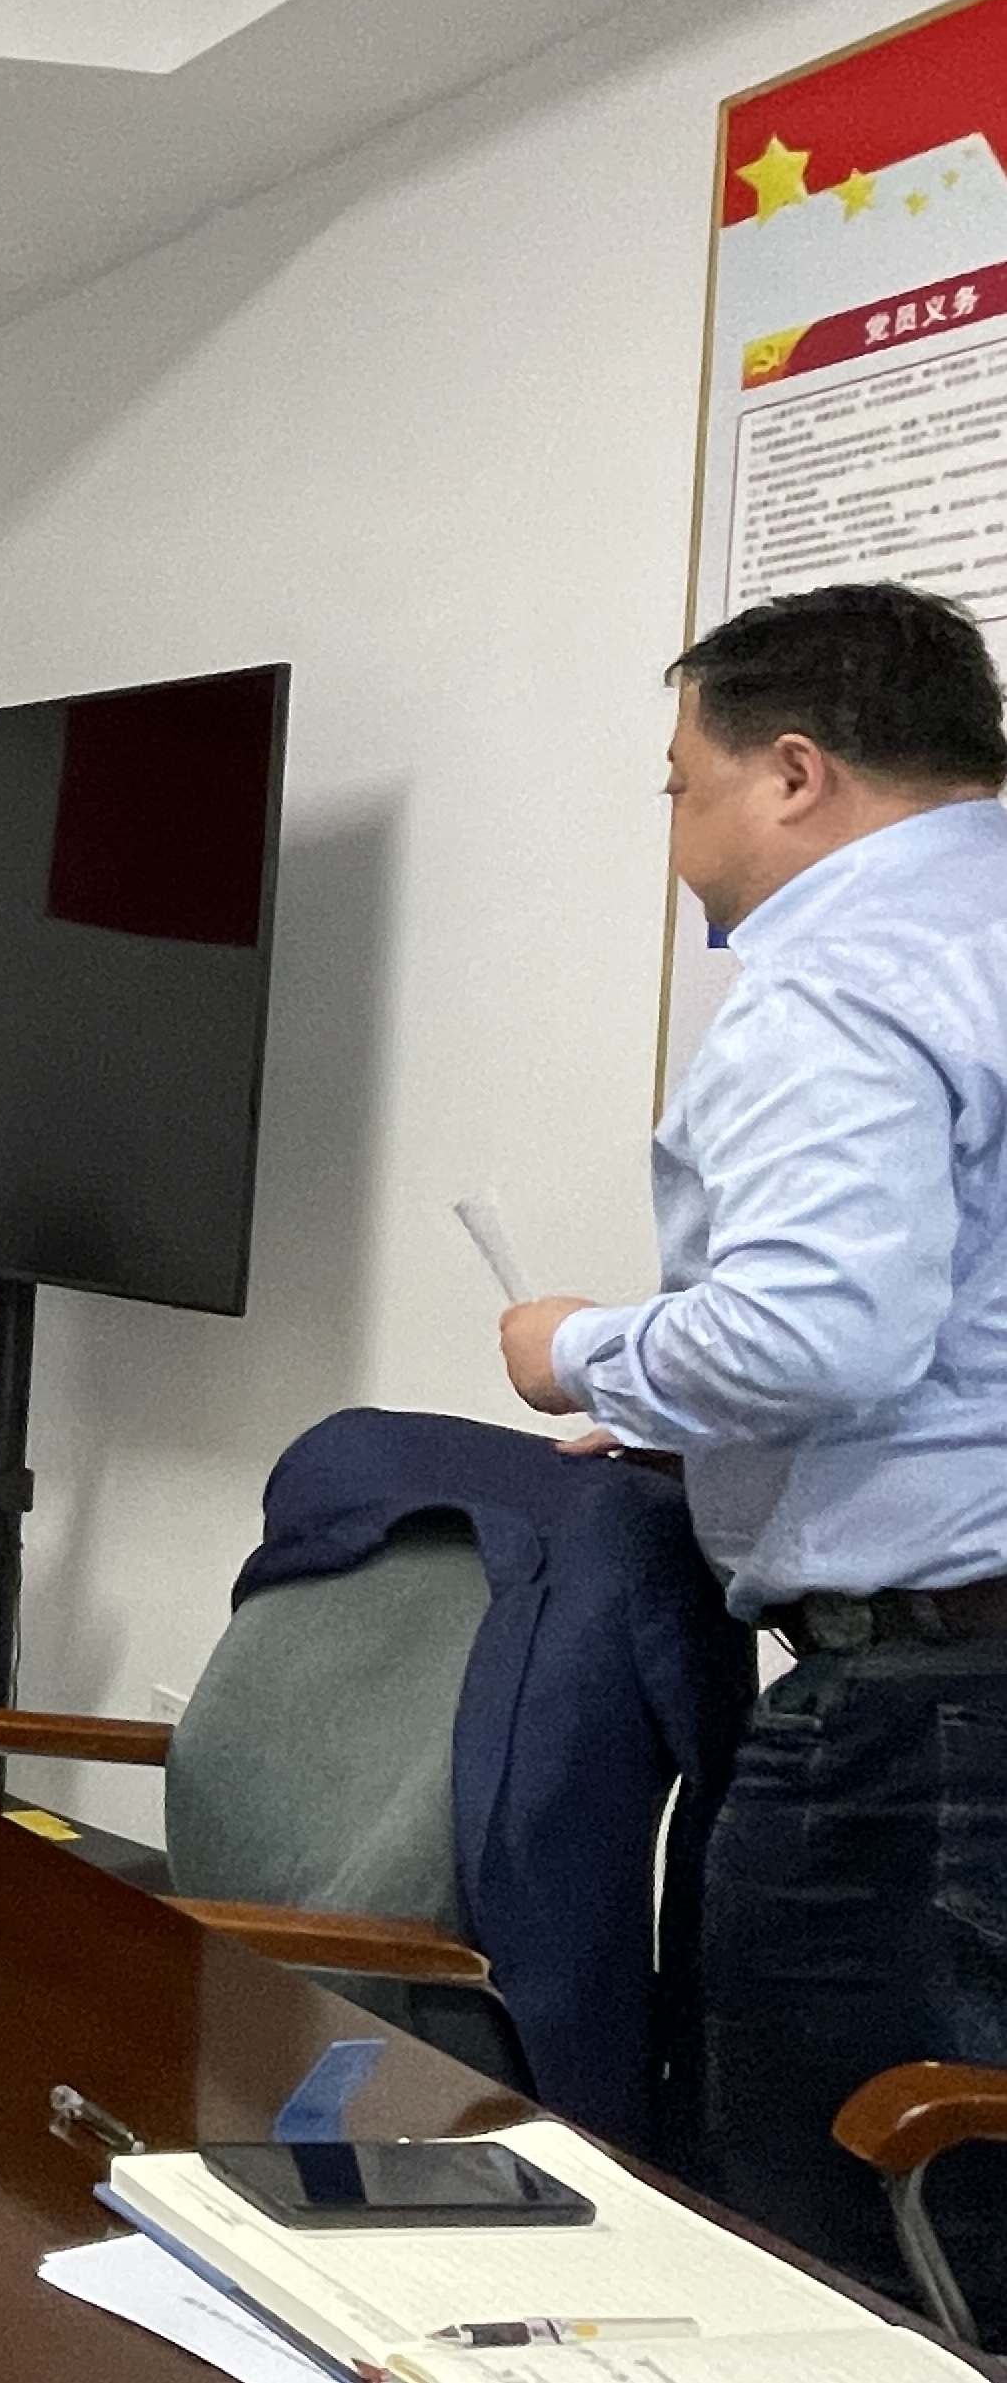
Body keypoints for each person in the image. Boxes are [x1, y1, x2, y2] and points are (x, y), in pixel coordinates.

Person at [499, 581, 1007, 2298]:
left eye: (679, 784)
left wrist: (578, 1353)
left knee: (838, 2250)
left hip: (925, 1732)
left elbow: (816, 1331)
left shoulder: (840, 981)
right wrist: (706, 1443)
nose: (677, 833)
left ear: (793, 773)